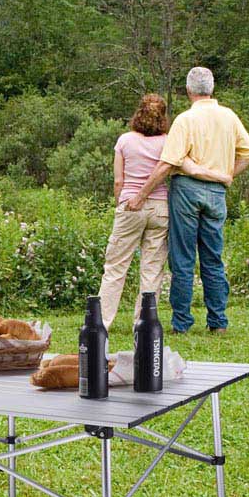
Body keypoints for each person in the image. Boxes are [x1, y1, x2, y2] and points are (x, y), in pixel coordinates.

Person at [126, 67, 249, 335]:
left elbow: (167, 164)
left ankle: (182, 323)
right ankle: (218, 322)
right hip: (217, 192)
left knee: (183, 258)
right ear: (212, 88)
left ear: (188, 90)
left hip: (187, 190)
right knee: (213, 258)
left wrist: (141, 194)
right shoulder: (229, 117)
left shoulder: (185, 120)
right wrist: (226, 174)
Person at [98, 93, 232, 330]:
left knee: (116, 267)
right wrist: (221, 176)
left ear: (138, 113)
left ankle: (102, 322)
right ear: (163, 117)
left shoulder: (124, 141)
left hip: (131, 205)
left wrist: (123, 203)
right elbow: (183, 168)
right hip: (160, 208)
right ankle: (143, 322)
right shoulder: (169, 141)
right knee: (152, 269)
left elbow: (118, 181)